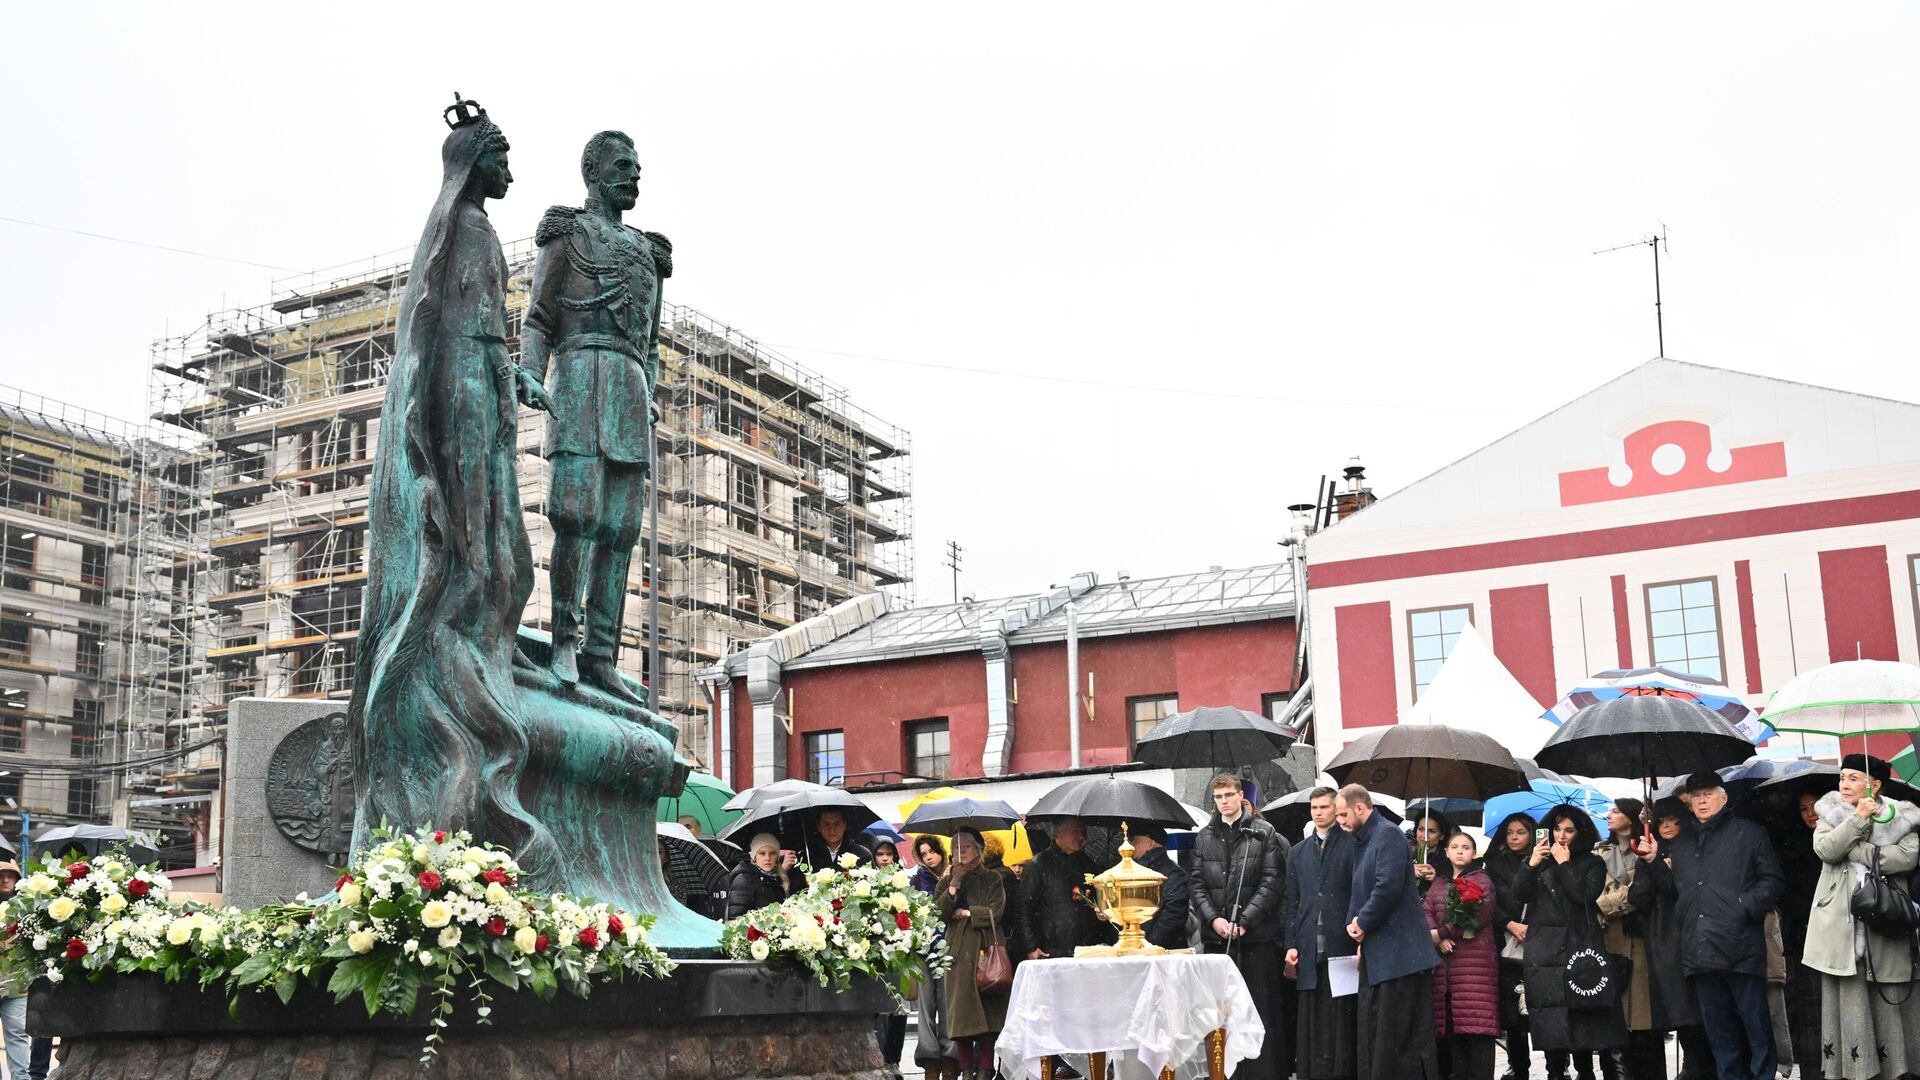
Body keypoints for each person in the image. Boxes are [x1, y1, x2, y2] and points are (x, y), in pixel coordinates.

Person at [518, 130, 670, 698]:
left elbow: (651, 343)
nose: (635, 176)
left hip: (629, 391)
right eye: (624, 166)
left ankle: (601, 655)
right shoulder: (566, 233)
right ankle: (564, 639)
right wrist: (531, 373)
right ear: (595, 172)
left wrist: (648, 392)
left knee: (621, 529)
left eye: (638, 166)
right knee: (574, 514)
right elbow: (538, 319)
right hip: (578, 376)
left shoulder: (649, 254)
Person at [1633, 771, 1784, 1080]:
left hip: (1740, 946)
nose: (1701, 800)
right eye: (1696, 796)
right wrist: (1653, 861)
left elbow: (1773, 881)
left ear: (1723, 797)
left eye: (1708, 794)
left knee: (1755, 1027)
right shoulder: (1683, 842)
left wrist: (1743, 907)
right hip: (1699, 950)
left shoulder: (1749, 833)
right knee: (1720, 1035)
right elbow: (1675, 890)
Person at [1802, 753, 1920, 1080]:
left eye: (1854, 778)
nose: (1844, 784)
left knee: (1889, 998)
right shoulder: (1830, 811)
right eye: (1842, 777)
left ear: (1876, 784)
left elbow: (1906, 858)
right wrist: (1857, 821)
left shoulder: (1904, 814)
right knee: (1851, 1001)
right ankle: (1855, 1070)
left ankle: (1896, 1070)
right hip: (1841, 928)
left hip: (1887, 923)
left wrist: (1857, 848)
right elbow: (1826, 849)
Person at [1338, 782, 1440, 1080]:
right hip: (1381, 952)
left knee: (1399, 1038)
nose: (1340, 821)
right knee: (1378, 1033)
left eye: (1344, 814)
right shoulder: (1363, 839)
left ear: (1360, 807)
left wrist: (1362, 923)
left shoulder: (1388, 835)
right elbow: (1359, 888)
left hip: (1401, 955)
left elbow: (1388, 886)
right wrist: (1352, 924)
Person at [1191, 773, 1289, 1080]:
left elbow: (1272, 881)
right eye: (1218, 797)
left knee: (1259, 1010)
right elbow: (1196, 883)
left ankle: (1265, 1072)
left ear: (1240, 796)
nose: (1224, 802)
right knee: (1222, 1011)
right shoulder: (1204, 836)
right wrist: (1213, 919)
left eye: (1229, 795)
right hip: (1219, 940)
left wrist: (1246, 920)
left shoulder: (1262, 833)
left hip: (1256, 939)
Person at [1513, 806, 1624, 1076]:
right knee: (1550, 1021)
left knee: (1582, 1020)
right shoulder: (1537, 860)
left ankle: (1585, 1072)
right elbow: (1519, 893)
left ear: (1580, 833)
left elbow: (1583, 896)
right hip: (1544, 949)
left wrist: (1564, 864)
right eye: (1557, 829)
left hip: (1579, 947)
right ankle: (1554, 1071)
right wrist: (1531, 865)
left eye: (1569, 830)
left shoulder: (1593, 862)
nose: (1561, 836)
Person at [1631, 800, 1715, 1080]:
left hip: (1687, 937)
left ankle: (1698, 1069)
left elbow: (1674, 889)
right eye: (1662, 821)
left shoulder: (1694, 849)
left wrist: (1660, 868)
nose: (1666, 827)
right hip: (1659, 939)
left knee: (1694, 1016)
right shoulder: (1649, 852)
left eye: (1673, 821)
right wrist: (1651, 864)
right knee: (1675, 1013)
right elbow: (1637, 898)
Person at [1285, 786, 1359, 1080]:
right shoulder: (1298, 851)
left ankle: (1341, 1072)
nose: (1318, 813)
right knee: (1311, 1015)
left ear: (1336, 808)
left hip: (1341, 940)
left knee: (1341, 1014)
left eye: (1324, 807)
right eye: (1314, 808)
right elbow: (1292, 901)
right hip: (1307, 942)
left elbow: (1358, 892)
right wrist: (1290, 943)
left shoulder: (1351, 844)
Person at [935, 828, 1009, 1080]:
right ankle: (966, 1071)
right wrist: (954, 885)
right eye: (955, 847)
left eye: (965, 846)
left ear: (979, 849)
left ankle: (985, 1070)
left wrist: (965, 913)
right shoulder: (947, 880)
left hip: (985, 950)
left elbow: (995, 911)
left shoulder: (991, 878)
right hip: (956, 954)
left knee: (987, 1016)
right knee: (961, 1019)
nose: (960, 852)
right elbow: (937, 913)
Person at [1426, 831, 1499, 1080]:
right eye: (1454, 846)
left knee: (1477, 1029)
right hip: (1447, 969)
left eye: (1465, 847)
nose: (1459, 851)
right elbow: (1425, 910)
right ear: (1446, 851)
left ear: (1474, 852)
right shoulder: (1439, 882)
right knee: (1455, 1031)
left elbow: (1476, 916)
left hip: (1475, 965)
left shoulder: (1481, 880)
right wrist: (1438, 936)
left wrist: (1443, 933)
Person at [1596, 799, 1657, 1080]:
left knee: (1642, 1019)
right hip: (1607, 939)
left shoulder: (1646, 849)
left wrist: (1604, 905)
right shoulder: (1600, 851)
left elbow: (1640, 893)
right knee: (1613, 1018)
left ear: (1631, 818)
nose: (1610, 815)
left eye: (1617, 811)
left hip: (1639, 937)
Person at [1483, 812, 1537, 1080]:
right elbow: (1489, 902)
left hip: (1538, 939)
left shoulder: (1543, 863)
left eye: (1521, 832)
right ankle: (1519, 1067)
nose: (1515, 837)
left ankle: (1557, 1064)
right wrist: (1509, 924)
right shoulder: (1493, 864)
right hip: (1505, 940)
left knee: (1540, 1008)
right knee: (1511, 1012)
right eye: (1510, 832)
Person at [1778, 791, 1823, 1080]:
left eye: (1815, 806)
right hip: (1806, 938)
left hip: (1841, 939)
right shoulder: (1793, 846)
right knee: (1811, 1017)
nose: (1810, 814)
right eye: (1803, 808)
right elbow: (1787, 892)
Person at [1018, 817, 1106, 961]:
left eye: (1083, 832)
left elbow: (1096, 902)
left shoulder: (1087, 863)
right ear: (1057, 833)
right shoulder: (1039, 864)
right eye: (1075, 831)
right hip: (1050, 948)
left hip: (1085, 948)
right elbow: (1023, 908)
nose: (1081, 837)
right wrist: (1030, 947)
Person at [1128, 824, 1191, 951]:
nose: (1131, 846)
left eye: (1134, 840)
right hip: (1134, 949)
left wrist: (1148, 945)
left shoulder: (1173, 874)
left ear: (1150, 843)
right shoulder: (1130, 872)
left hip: (1164, 953)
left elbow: (1173, 916)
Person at [726, 833, 803, 917]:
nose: (767, 858)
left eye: (772, 853)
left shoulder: (780, 877)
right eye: (762, 853)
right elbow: (736, 917)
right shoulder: (744, 879)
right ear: (754, 857)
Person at [0, 860, 25, 1080]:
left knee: (17, 1034)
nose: (6, 879)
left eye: (10, 875)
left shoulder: (26, 906)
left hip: (16, 983)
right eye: (1, 875)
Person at [806, 808, 872, 870]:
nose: (831, 830)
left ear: (844, 825)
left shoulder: (862, 854)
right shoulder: (807, 855)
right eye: (826, 824)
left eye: (836, 824)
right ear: (819, 827)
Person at [1412, 810, 1458, 897]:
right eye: (1421, 829)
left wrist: (1436, 880)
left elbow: (1455, 893)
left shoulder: (1449, 859)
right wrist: (1409, 871)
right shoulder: (1405, 854)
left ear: (1441, 836)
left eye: (1431, 831)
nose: (1424, 835)